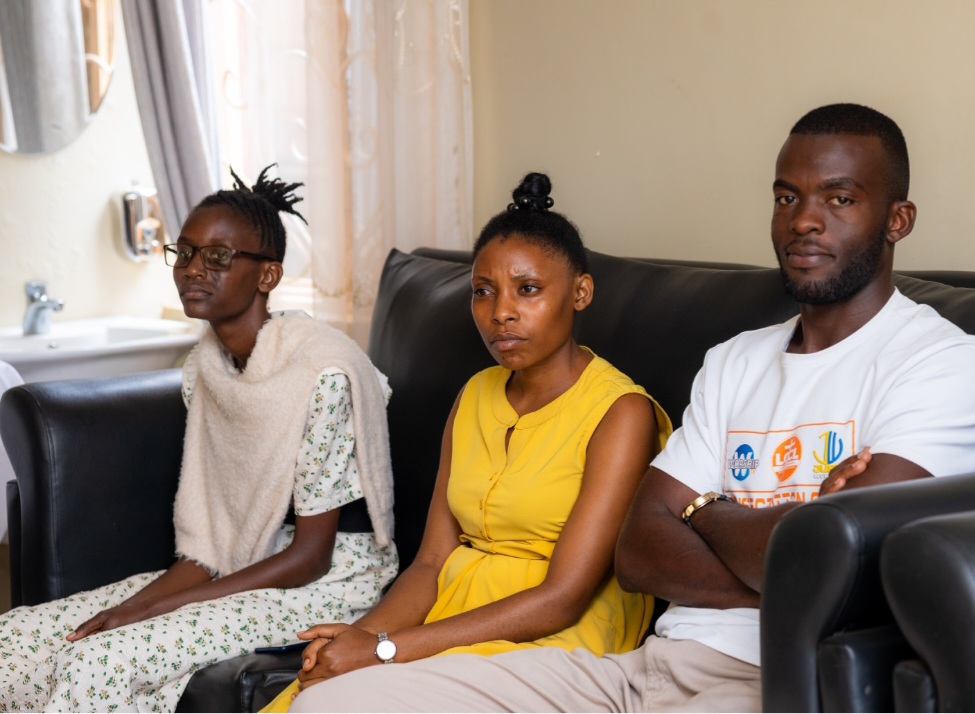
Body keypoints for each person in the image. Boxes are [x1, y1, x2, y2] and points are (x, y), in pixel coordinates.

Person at [287, 104, 975, 713]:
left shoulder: (940, 363)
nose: (803, 220)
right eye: (786, 196)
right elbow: (640, 554)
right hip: (639, 671)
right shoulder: (733, 359)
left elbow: (842, 566)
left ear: (897, 219)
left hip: (772, 678)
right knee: (334, 701)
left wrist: (700, 511)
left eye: (839, 198)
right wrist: (786, 545)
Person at [264, 172, 672, 711]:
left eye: (528, 289)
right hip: (453, 616)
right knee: (307, 692)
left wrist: (385, 650)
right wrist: (357, 640)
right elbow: (433, 561)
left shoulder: (622, 414)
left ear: (580, 292)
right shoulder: (476, 393)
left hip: (554, 638)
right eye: (483, 291)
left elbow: (564, 598)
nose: (501, 312)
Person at [0, 166, 399, 712]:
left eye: (217, 256)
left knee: (99, 659)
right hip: (241, 563)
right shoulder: (206, 371)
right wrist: (137, 604)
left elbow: (311, 558)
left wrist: (152, 611)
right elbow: (211, 540)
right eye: (184, 253)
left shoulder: (324, 376)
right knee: (14, 638)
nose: (192, 269)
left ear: (268, 275)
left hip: (328, 583)